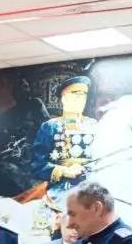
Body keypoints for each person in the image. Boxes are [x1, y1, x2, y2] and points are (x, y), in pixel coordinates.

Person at [29, 76, 98, 209]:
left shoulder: (94, 126)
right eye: (76, 96)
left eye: (83, 96)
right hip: (60, 193)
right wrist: (64, 171)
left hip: (92, 191)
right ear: (64, 99)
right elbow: (37, 165)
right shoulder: (50, 127)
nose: (80, 100)